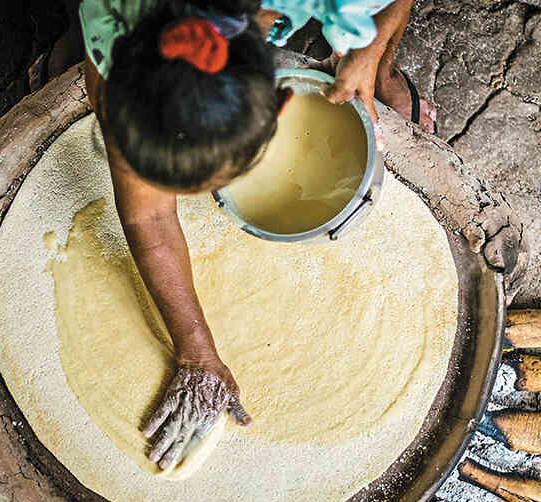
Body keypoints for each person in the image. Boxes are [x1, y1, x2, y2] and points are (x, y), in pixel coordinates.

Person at [31, 0, 457, 472]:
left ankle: (382, 74)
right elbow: (147, 218)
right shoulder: (115, 43)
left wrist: (371, 50)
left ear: (281, 101)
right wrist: (196, 351)